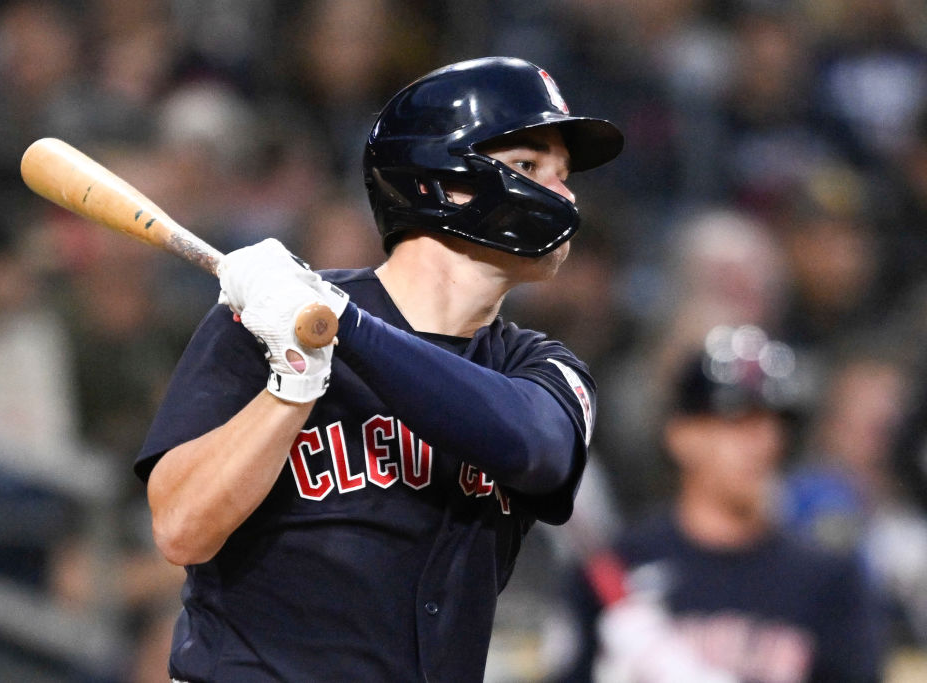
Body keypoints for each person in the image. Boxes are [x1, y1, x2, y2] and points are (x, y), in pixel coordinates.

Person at [135, 56, 623, 681]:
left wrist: (345, 326)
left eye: (564, 175)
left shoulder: (543, 367)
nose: (564, 195)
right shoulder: (266, 319)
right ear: (439, 180)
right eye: (529, 167)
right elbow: (180, 530)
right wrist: (291, 385)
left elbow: (536, 447)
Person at [561, 325, 884, 682]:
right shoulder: (618, 567)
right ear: (681, 434)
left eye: (774, 423)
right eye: (738, 421)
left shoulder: (829, 580)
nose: (764, 442)